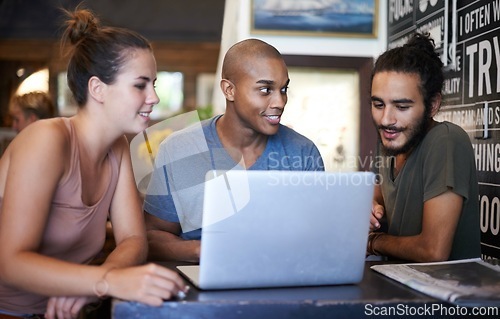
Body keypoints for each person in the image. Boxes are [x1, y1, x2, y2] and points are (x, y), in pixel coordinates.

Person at [0, 8, 187, 319]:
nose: (154, 97)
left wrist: (94, 284)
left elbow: (134, 239)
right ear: (98, 88)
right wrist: (105, 280)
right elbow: (10, 262)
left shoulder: (118, 147)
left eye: (153, 83)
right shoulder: (46, 139)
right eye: (140, 85)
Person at [144, 38, 325, 262]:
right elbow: (152, 237)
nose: (279, 102)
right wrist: (204, 252)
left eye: (283, 89)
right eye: (265, 89)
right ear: (229, 90)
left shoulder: (303, 153)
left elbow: (318, 236)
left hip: (283, 279)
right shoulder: (181, 149)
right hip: (201, 282)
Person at [367, 33, 481, 262]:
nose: (386, 118)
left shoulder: (446, 140)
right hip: (398, 291)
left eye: (401, 106)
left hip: (448, 296)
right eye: (378, 104)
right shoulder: (392, 141)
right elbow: (383, 192)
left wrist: (373, 242)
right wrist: (370, 205)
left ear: (432, 105)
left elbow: (433, 251)